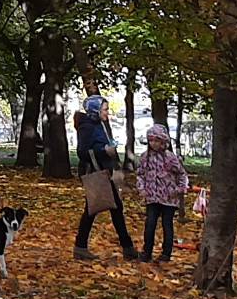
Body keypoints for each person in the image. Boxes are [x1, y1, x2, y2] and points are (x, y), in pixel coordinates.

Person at [74, 95, 138, 262]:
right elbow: (82, 151)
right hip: (96, 173)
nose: (107, 113)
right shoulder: (87, 126)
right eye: (105, 109)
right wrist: (104, 150)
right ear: (95, 110)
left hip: (104, 172)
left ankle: (82, 247)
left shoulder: (98, 124)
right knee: (102, 209)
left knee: (103, 209)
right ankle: (127, 248)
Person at [135, 124, 189, 264]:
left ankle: (166, 253)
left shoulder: (170, 158)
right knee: (150, 223)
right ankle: (147, 252)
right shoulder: (145, 157)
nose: (154, 144)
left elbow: (182, 174)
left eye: (157, 141)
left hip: (169, 198)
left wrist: (179, 189)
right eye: (151, 140)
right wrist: (142, 188)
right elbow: (140, 174)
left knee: (167, 224)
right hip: (152, 197)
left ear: (163, 142)